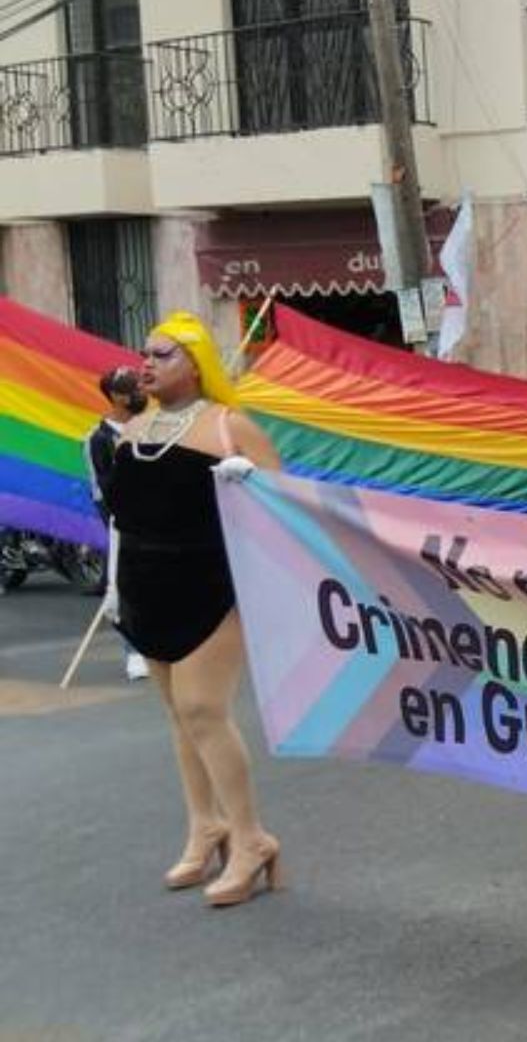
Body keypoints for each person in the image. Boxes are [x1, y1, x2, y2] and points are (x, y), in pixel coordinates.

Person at [104, 312, 285, 906]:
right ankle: (205, 826)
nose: (148, 363)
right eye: (146, 353)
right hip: (143, 581)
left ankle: (252, 837)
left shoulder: (231, 426)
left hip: (212, 583)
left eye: (163, 354)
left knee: (204, 708)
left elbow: (287, 508)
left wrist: (251, 483)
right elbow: (121, 521)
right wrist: (113, 588)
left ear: (197, 361)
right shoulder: (132, 431)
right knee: (178, 716)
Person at [86, 365, 149, 681]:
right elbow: (101, 488)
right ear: (116, 396)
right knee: (126, 589)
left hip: (160, 522)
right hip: (125, 524)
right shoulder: (100, 439)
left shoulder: (153, 426)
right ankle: (134, 653)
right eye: (132, 389)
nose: (140, 393)